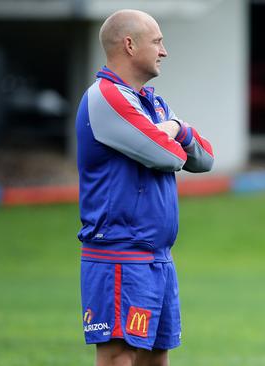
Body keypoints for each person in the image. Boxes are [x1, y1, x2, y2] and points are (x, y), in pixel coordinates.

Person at [75, 9, 214, 366]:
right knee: (118, 356)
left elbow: (204, 158)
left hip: (157, 258)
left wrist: (174, 126)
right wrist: (170, 134)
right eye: (157, 42)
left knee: (156, 357)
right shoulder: (105, 96)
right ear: (129, 45)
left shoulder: (152, 102)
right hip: (119, 255)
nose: (164, 51)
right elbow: (166, 156)